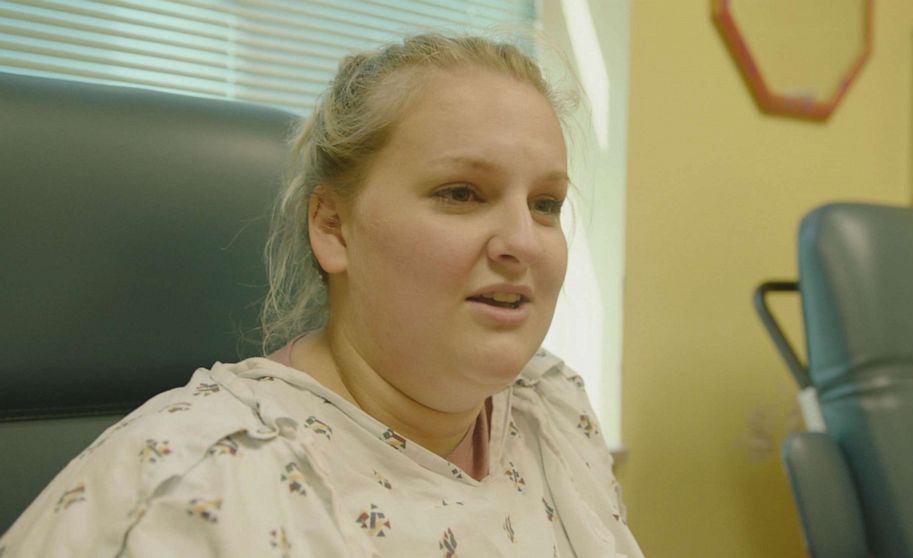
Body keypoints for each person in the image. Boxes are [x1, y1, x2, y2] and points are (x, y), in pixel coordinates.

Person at [0, 34, 642, 557]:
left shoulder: (550, 406)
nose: (523, 242)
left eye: (546, 204)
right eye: (461, 193)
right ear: (333, 228)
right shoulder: (184, 487)